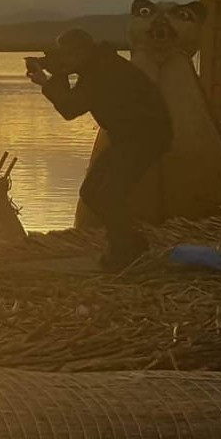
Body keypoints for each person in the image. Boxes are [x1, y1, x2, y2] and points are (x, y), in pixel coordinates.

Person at [27, 28, 172, 271]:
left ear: (83, 52)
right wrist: (59, 74)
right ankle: (132, 244)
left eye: (68, 55)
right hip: (130, 138)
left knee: (106, 194)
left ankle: (124, 250)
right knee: (93, 192)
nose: (65, 60)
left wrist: (48, 81)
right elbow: (73, 102)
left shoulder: (102, 71)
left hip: (144, 137)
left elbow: (70, 108)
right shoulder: (97, 65)